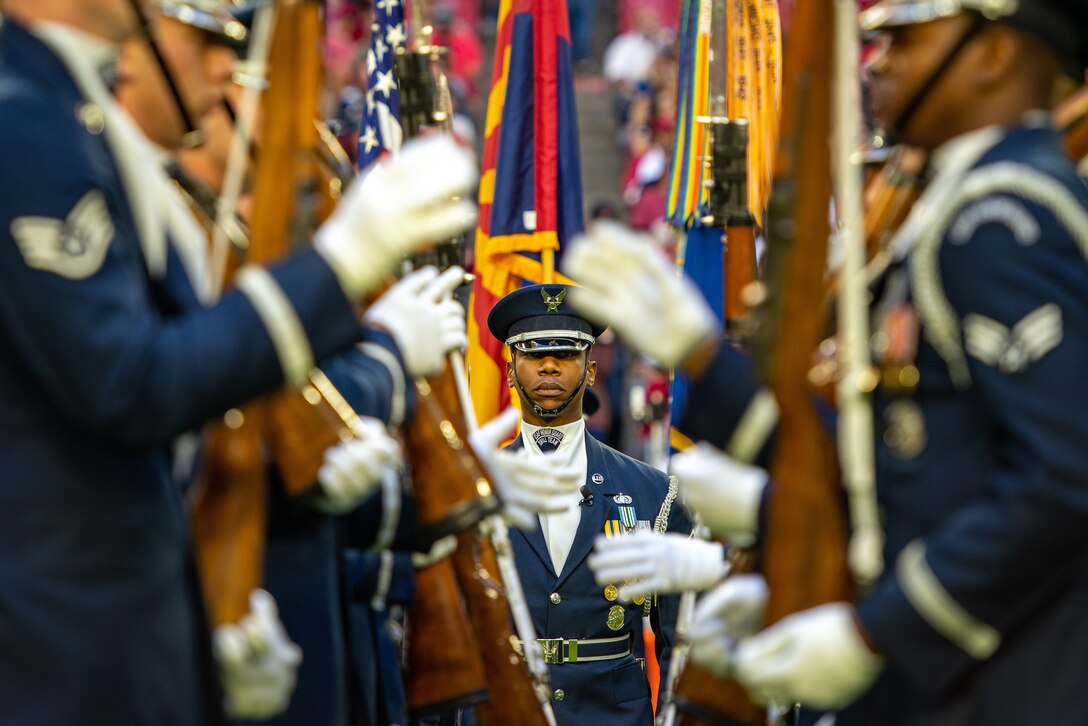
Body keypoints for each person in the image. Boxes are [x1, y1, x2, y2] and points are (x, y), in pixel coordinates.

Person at [563, 0, 1088, 723]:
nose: (879, 63)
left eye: (907, 41)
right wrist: (709, 366)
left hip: (996, 685)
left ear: (994, 55)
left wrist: (879, 631)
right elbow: (910, 468)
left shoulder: (1002, 221)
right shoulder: (957, 208)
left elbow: (1062, 480)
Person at [0, 0, 476, 723]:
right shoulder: (25, 120)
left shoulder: (61, 109)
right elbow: (126, 383)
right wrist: (340, 268)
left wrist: (207, 617)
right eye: (201, 39)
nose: (222, 68)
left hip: (123, 638)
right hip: (60, 655)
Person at [485, 283, 691, 724]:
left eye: (566, 354)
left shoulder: (654, 494)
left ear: (592, 370)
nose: (549, 367)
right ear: (509, 370)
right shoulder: (476, 488)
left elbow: (679, 646)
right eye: (533, 354)